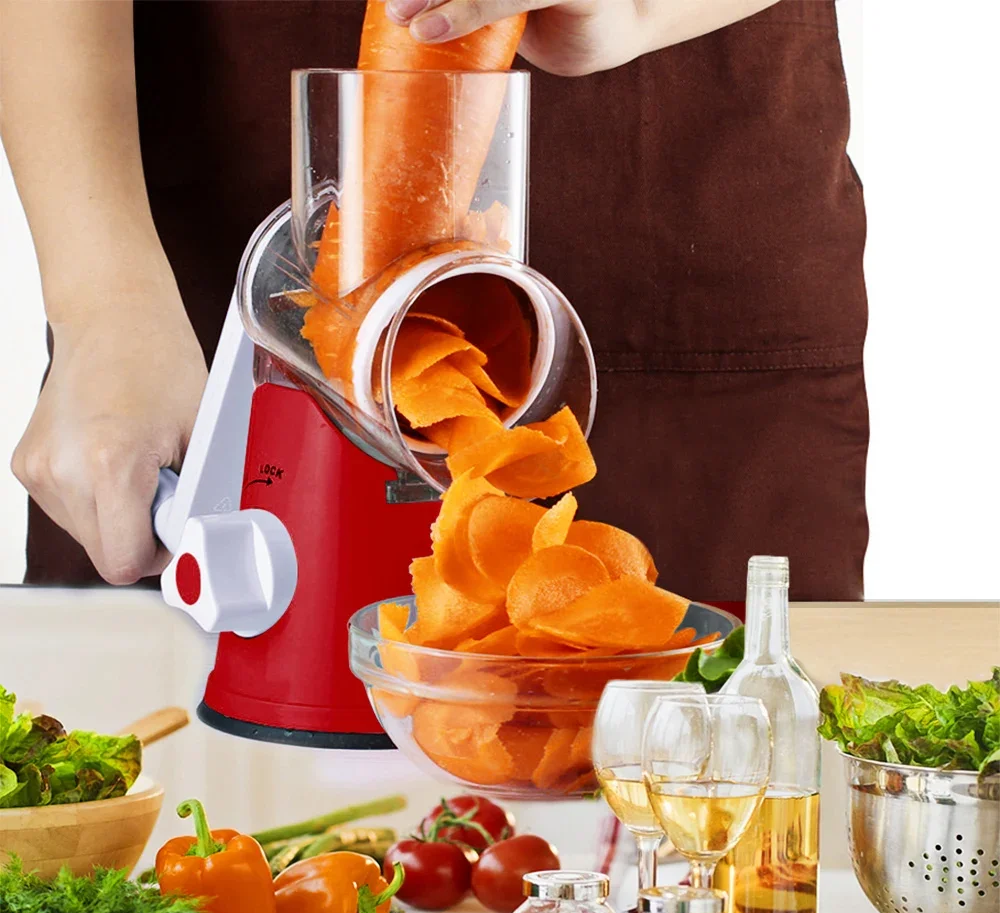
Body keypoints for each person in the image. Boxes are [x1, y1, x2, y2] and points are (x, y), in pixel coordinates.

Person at [1, 0, 866, 602]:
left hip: (693, 228)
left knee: (718, 778)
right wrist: (104, 301)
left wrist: (644, 11)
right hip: (185, 277)